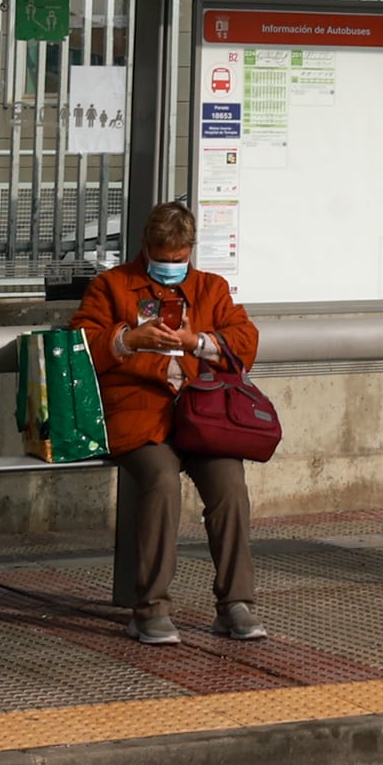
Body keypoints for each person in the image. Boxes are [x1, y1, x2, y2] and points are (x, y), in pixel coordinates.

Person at [74, 200, 266, 645]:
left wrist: (197, 342)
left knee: (230, 485)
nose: (170, 268)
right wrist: (126, 340)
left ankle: (236, 602)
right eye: (162, 259)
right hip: (140, 414)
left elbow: (245, 340)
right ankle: (151, 608)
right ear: (146, 247)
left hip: (202, 417)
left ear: (190, 252)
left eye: (179, 261)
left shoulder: (210, 288)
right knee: (161, 482)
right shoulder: (112, 286)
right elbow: (80, 340)